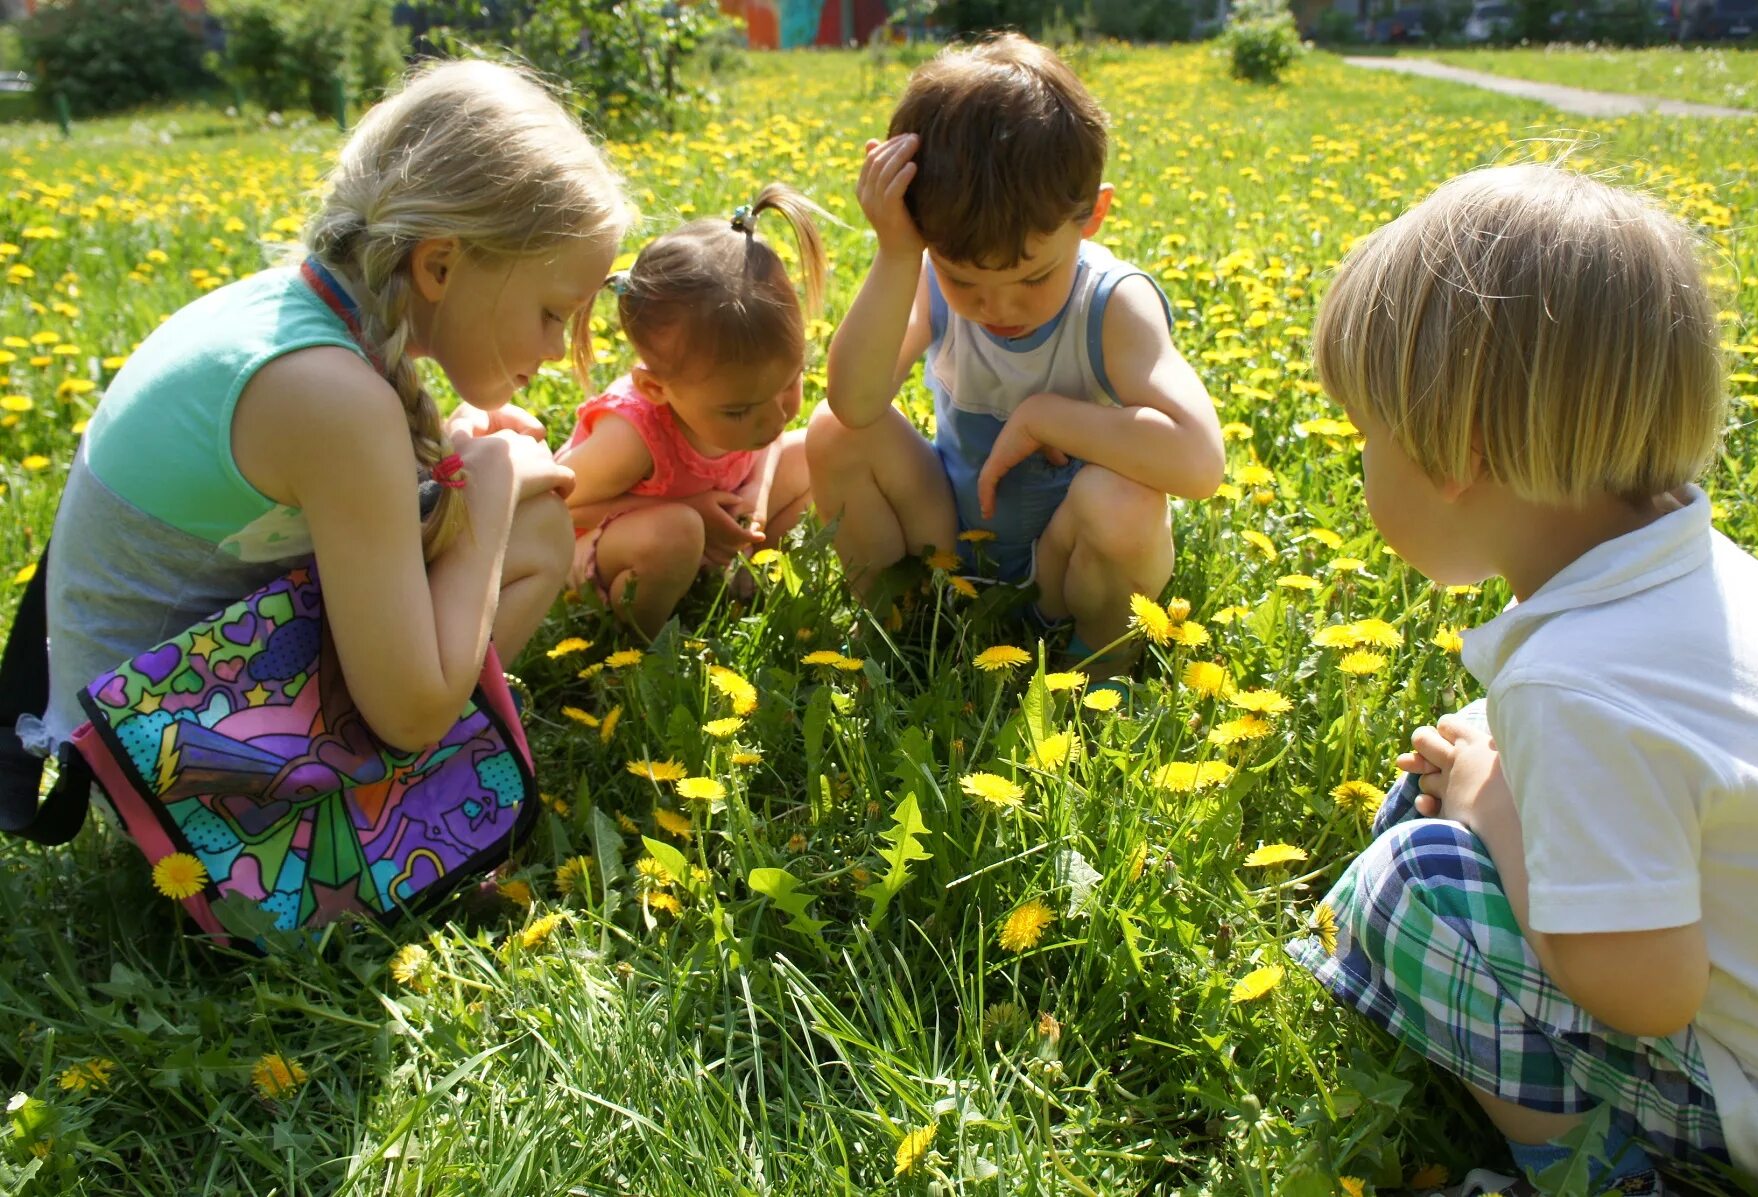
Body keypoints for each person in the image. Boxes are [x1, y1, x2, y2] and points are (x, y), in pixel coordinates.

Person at [1288, 163, 1758, 1195]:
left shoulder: (1575, 684)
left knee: (1409, 888)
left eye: (1364, 435)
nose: (1359, 464)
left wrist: (1494, 803)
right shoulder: (1703, 575)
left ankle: (1594, 1179)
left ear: (1455, 454)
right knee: (1432, 794)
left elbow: (1645, 988)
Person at [40, 59, 633, 753]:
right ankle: (399, 801)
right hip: (170, 772)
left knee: (531, 526)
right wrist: (488, 484)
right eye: (552, 313)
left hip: (169, 712)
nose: (560, 350)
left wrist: (455, 461)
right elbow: (409, 717)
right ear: (440, 265)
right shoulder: (334, 399)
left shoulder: (301, 322)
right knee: (532, 531)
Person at [805, 33, 1223, 674]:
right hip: (949, 544)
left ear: (1092, 216)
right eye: (963, 279)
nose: (997, 308)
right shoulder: (917, 276)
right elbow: (855, 403)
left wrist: (1046, 417)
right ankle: (903, 629)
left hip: (1063, 562)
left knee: (1128, 502)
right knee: (835, 432)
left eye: (1032, 279)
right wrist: (896, 253)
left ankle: (1095, 670)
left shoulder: (1111, 305)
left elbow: (1199, 463)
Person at [555, 184, 824, 636]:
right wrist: (690, 510)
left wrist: (760, 484)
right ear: (655, 388)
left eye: (788, 385)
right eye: (739, 412)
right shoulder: (630, 438)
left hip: (710, 520)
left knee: (818, 452)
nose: (774, 419)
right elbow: (556, 512)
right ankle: (647, 642)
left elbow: (772, 435)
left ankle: (744, 580)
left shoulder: (748, 399)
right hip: (617, 552)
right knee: (676, 531)